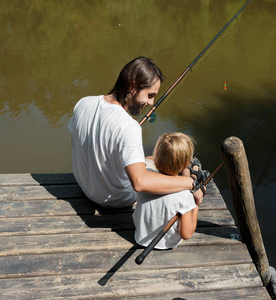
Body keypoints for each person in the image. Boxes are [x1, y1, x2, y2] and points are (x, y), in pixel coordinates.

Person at [68, 57, 204, 208]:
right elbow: (140, 183)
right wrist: (191, 183)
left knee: (153, 159)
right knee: (170, 167)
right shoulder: (128, 127)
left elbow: (78, 147)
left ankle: (187, 167)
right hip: (116, 199)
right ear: (132, 87)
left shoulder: (83, 103)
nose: (151, 103)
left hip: (86, 188)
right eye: (150, 95)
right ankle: (191, 173)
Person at [133, 132, 204, 249]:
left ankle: (194, 173)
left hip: (140, 237)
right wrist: (196, 205)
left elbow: (146, 160)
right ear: (186, 163)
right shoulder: (185, 195)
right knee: (190, 202)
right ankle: (194, 173)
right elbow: (186, 234)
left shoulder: (146, 180)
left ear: (156, 158)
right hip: (167, 244)